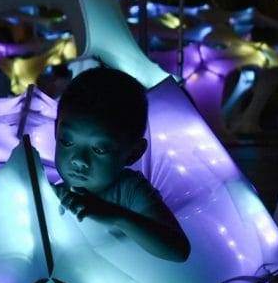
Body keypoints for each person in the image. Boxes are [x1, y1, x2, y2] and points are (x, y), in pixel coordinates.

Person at [53, 66, 190, 262]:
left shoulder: (130, 191)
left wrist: (116, 215)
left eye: (99, 149)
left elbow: (179, 250)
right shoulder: (50, 191)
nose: (79, 160)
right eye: (67, 141)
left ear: (134, 153)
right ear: (56, 131)